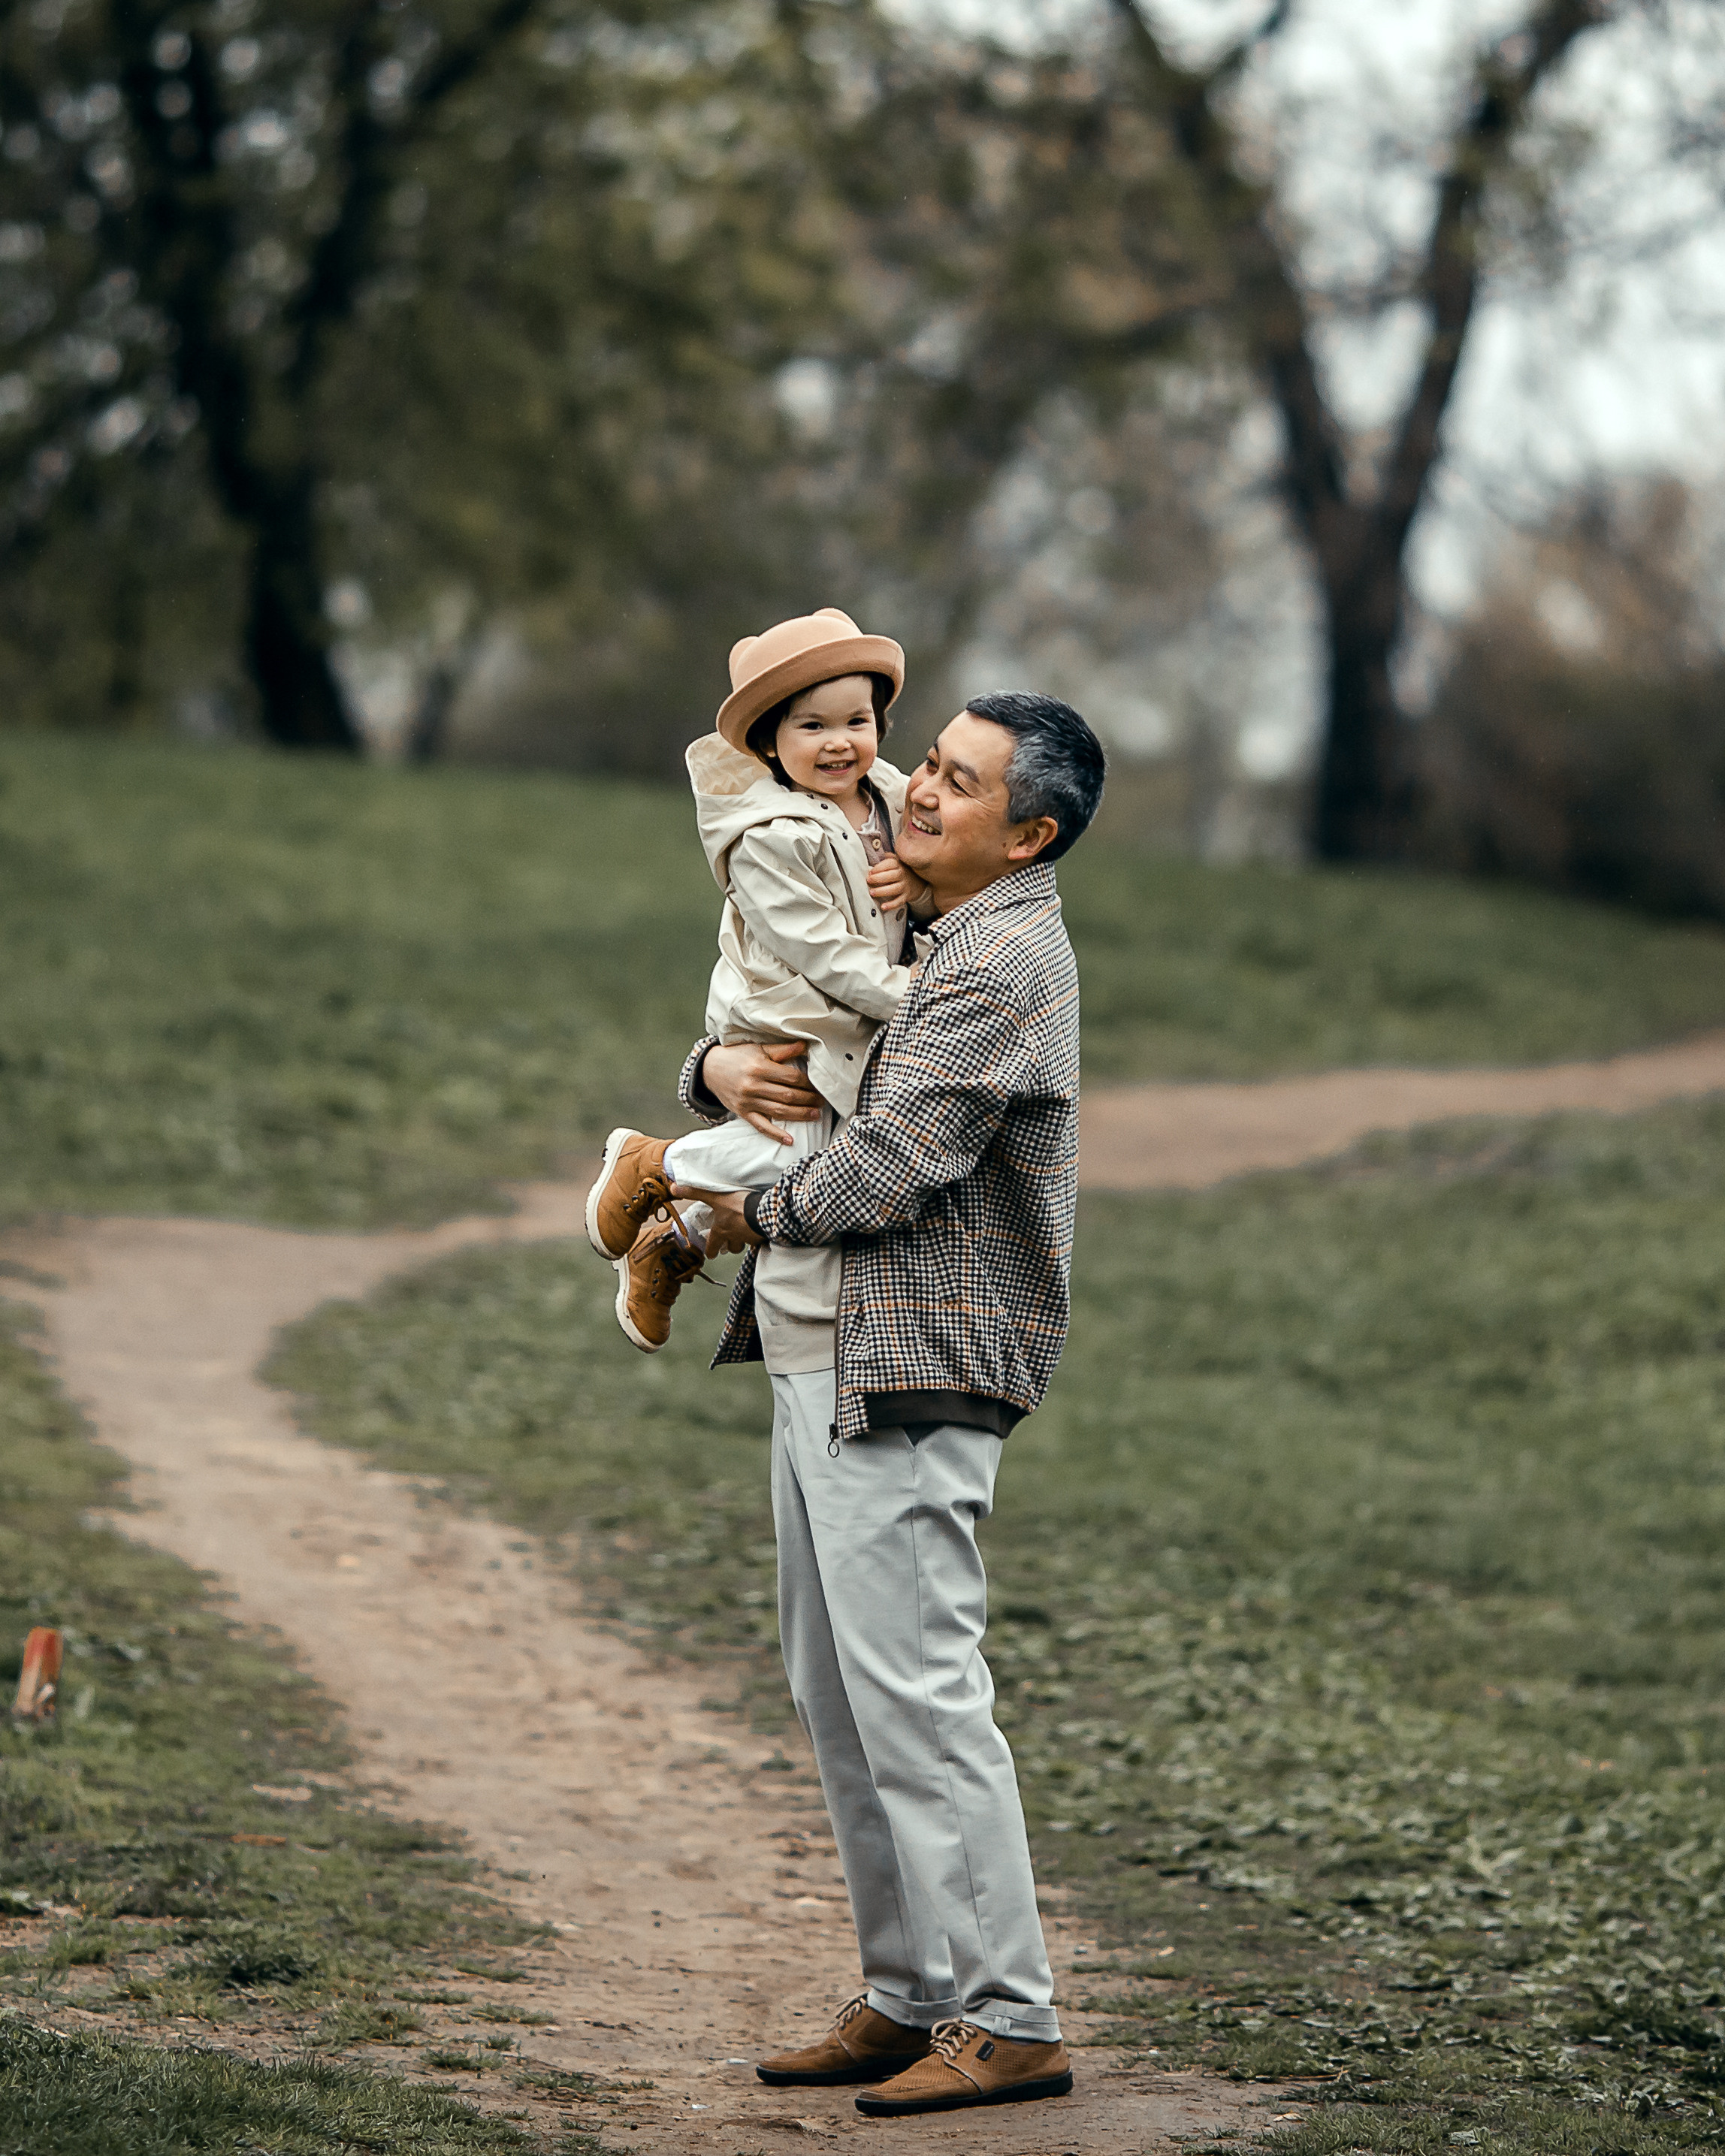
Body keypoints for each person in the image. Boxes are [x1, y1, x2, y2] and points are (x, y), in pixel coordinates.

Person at [675, 691, 1107, 2119]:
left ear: (1028, 833)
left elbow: (881, 1165)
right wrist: (711, 1071)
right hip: (822, 1349)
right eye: (932, 761)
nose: (918, 788)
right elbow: (779, 1018)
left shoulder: (997, 958)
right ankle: (912, 1992)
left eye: (961, 782)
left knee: (918, 1694)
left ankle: (1010, 2016)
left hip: (919, 1368)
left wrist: (718, 1206)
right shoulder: (909, 921)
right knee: (838, 1692)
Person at [583, 607, 932, 1351]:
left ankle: (679, 1239)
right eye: (811, 727)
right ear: (769, 741)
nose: (840, 741)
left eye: (857, 719)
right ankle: (659, 1162)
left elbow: (933, 882)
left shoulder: (892, 799)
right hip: (788, 1013)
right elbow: (820, 950)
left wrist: (915, 875)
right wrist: (912, 1000)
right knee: (802, 1152)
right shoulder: (766, 836)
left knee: (820, 1160)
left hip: (853, 1017)